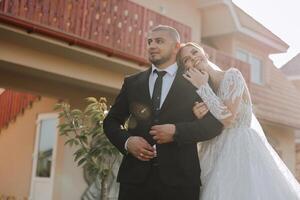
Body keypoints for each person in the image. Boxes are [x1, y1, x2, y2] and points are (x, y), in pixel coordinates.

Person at [103, 25, 223, 200]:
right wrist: (128, 142)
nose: (152, 45)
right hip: (135, 181)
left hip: (181, 182)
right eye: (149, 41)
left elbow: (214, 125)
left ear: (176, 47)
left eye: (159, 41)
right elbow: (111, 121)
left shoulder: (196, 79)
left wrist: (177, 132)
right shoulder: (132, 83)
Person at [176, 42, 300, 200]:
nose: (193, 58)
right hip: (212, 152)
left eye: (194, 52)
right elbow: (206, 127)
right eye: (187, 59)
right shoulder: (199, 92)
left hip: (240, 150)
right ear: (187, 69)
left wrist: (202, 86)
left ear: (205, 54)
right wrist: (199, 116)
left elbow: (228, 118)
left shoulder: (232, 75)